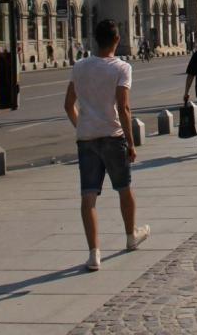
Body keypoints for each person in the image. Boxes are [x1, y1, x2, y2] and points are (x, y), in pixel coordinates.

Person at [64, 19, 149, 271]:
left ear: (94, 39)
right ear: (117, 40)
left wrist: (82, 125)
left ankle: (93, 254)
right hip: (113, 136)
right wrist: (131, 143)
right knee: (124, 188)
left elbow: (68, 105)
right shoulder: (121, 68)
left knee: (88, 196)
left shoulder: (79, 67)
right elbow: (123, 108)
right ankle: (131, 236)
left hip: (87, 139)